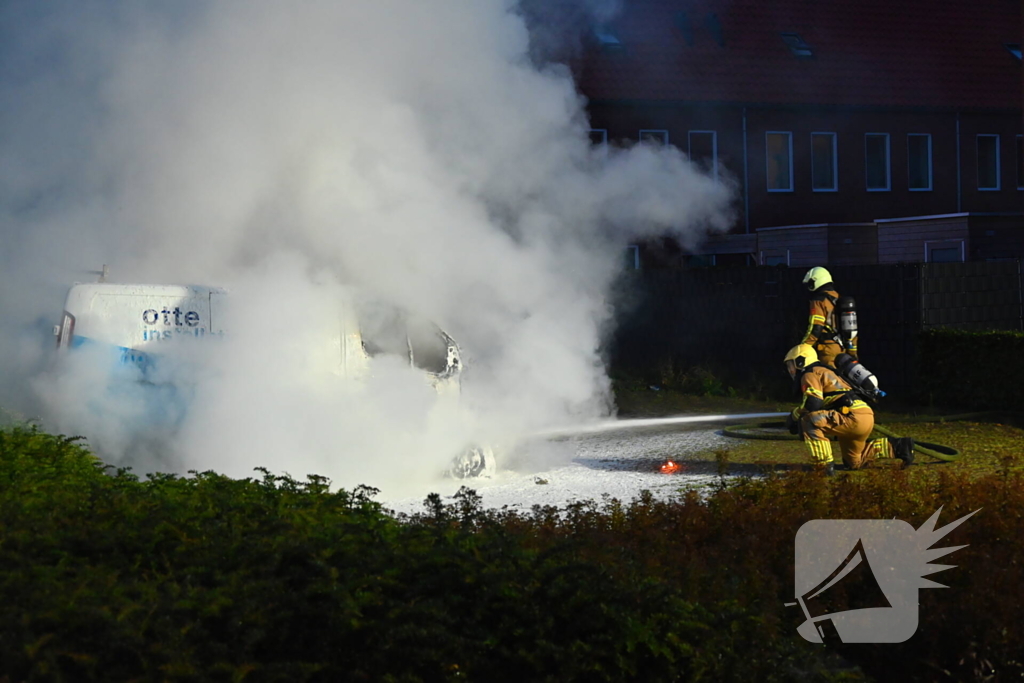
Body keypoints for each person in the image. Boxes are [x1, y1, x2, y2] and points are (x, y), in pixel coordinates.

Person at [783, 344, 913, 475]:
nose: (791, 370)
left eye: (791, 365)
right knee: (855, 461)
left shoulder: (810, 373)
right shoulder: (827, 371)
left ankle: (822, 466)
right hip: (864, 415)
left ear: (801, 361)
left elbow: (813, 402)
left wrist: (794, 416)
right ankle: (899, 447)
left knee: (809, 421)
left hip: (851, 417)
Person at [800, 266, 855, 368]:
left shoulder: (818, 301)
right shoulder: (838, 298)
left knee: (829, 380)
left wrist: (803, 347)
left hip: (827, 350)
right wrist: (852, 352)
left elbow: (815, 328)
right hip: (842, 348)